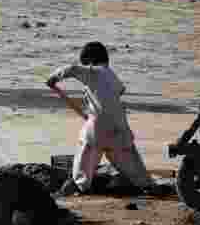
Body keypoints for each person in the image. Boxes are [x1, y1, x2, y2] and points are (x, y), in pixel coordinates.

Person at [47, 41, 155, 195]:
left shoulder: (93, 72)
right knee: (131, 161)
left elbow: (71, 69)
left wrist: (53, 78)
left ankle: (80, 185)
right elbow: (118, 92)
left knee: (85, 160)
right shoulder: (111, 75)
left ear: (90, 61)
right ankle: (147, 185)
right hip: (119, 127)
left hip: (97, 129)